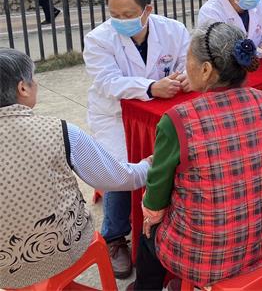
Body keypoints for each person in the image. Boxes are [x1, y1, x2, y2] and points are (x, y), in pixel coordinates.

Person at [131, 23, 262, 290]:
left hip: (208, 259)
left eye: (188, 59)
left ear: (205, 70)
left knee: (149, 235)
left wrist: (151, 216)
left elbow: (156, 195)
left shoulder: (178, 119)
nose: (185, 66)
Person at [0, 49, 150, 289]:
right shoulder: (58, 131)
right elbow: (118, 178)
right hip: (60, 249)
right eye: (33, 79)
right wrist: (149, 165)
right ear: (23, 88)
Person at [83, 0, 190, 277]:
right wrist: (151, 86)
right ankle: (114, 235)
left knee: (178, 159)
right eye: (114, 15)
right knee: (119, 168)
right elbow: (107, 82)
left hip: (161, 112)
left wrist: (185, 78)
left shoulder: (174, 30)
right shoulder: (98, 39)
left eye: (128, 15)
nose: (120, 21)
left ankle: (168, 223)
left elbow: (186, 63)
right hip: (114, 115)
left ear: (147, 10)